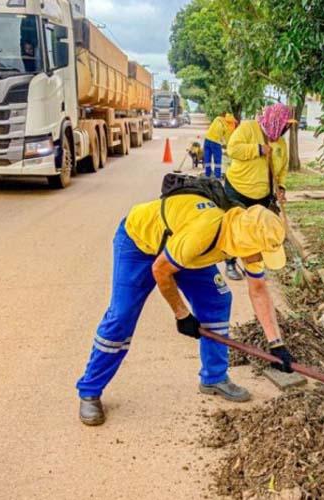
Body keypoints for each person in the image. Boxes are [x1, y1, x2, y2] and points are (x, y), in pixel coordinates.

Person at [75, 197, 296, 426]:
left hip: (183, 251)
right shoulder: (203, 232)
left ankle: (214, 377)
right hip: (140, 243)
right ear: (246, 242)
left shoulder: (245, 237)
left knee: (217, 300)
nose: (259, 258)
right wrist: (181, 314)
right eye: (260, 253)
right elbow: (160, 270)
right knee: (121, 316)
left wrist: (276, 344)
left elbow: (258, 289)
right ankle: (90, 390)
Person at [223, 103, 294, 281]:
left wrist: (282, 187)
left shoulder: (281, 143)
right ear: (275, 120)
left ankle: (253, 266)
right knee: (233, 229)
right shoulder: (248, 128)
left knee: (257, 231)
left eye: (287, 126)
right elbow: (233, 149)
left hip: (263, 194)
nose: (286, 128)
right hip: (238, 189)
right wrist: (258, 149)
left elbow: (282, 169)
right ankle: (230, 264)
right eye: (284, 124)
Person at [204, 113, 238, 178]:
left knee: (207, 158)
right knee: (217, 160)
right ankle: (217, 176)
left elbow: (215, 130)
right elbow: (228, 139)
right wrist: (229, 148)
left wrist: (223, 144)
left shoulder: (218, 118)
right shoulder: (230, 126)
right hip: (216, 142)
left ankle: (207, 174)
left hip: (207, 139)